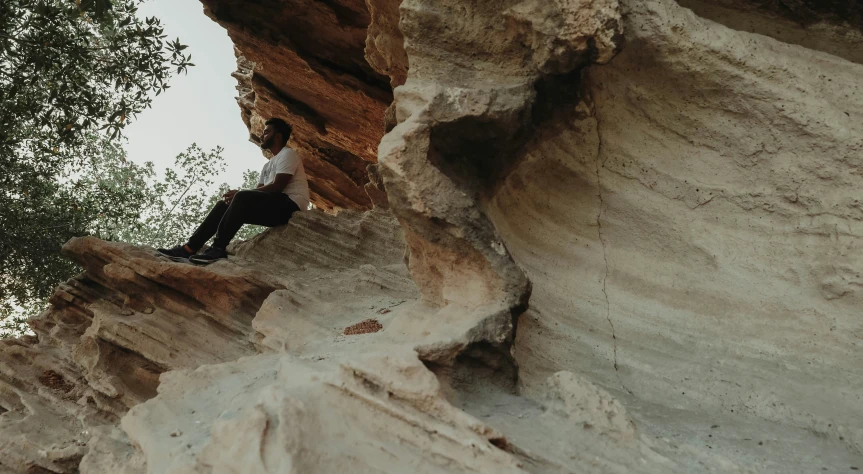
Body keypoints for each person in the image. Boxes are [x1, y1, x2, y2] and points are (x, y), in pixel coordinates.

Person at [157, 117, 309, 264]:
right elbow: (256, 194)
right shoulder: (267, 165)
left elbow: (277, 187)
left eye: (266, 132)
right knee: (224, 205)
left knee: (242, 196)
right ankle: (189, 248)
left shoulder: (288, 154)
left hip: (291, 205)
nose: (262, 135)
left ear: (277, 136)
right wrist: (237, 199)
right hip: (274, 208)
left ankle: (218, 248)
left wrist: (240, 194)